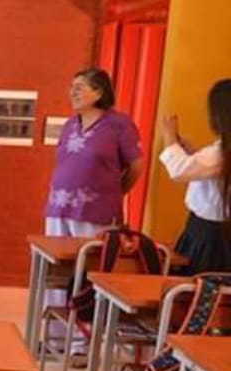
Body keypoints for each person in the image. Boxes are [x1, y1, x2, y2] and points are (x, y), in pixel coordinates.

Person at [44, 68, 144, 239]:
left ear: (99, 93)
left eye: (79, 88)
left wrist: (114, 193)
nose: (72, 93)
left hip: (96, 212)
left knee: (89, 255)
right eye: (71, 87)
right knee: (54, 254)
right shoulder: (69, 125)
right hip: (59, 208)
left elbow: (136, 166)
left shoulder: (119, 124)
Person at [159, 78, 231, 274]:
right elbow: (214, 172)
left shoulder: (219, 153)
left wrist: (170, 138)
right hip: (216, 233)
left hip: (209, 235)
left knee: (196, 283)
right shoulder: (221, 153)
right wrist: (194, 154)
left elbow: (178, 170)